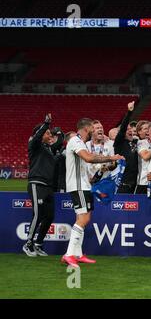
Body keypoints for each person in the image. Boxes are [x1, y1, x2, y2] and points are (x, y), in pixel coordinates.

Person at [62, 118, 123, 267]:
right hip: (78, 186)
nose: (94, 131)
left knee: (85, 217)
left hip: (84, 185)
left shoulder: (80, 143)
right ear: (87, 128)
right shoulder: (76, 142)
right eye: (92, 128)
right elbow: (89, 158)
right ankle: (69, 254)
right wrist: (110, 157)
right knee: (82, 219)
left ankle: (78, 254)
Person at [23, 114, 62, 257]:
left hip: (48, 187)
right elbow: (38, 136)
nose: (49, 134)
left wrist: (60, 133)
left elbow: (58, 144)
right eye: (47, 133)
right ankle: (28, 243)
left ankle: (38, 244)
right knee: (38, 214)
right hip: (36, 183)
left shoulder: (47, 149)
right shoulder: (34, 145)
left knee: (49, 216)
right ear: (39, 134)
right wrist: (46, 124)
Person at [114, 101, 139, 193]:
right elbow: (123, 128)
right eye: (127, 129)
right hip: (123, 182)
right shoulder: (119, 142)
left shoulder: (136, 142)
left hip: (135, 182)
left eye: (130, 129)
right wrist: (129, 112)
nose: (130, 131)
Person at [135, 120, 151, 194]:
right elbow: (145, 156)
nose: (148, 130)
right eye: (145, 129)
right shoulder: (140, 143)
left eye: (149, 128)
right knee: (142, 203)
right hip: (144, 180)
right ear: (139, 132)